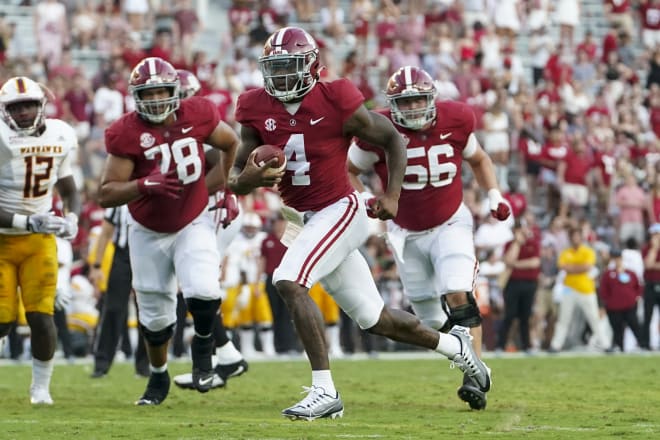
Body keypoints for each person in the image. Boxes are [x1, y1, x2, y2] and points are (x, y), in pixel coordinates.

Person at [229, 27, 491, 420]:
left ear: (312, 65)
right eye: (275, 67)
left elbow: (393, 141)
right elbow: (234, 174)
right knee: (375, 319)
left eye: (290, 66)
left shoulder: (336, 98)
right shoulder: (253, 107)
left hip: (340, 208)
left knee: (288, 279)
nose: (282, 76)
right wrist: (246, 180)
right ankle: (458, 348)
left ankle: (324, 390)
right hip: (301, 219)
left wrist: (392, 195)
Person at [347, 66, 510, 410]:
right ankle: (470, 358)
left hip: (450, 222)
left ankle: (474, 377)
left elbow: (479, 159)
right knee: (430, 320)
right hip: (404, 233)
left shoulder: (456, 118)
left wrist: (494, 194)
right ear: (392, 105)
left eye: (419, 99)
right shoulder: (376, 129)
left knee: (457, 292)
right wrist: (364, 201)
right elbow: (349, 171)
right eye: (405, 103)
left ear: (432, 97)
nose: (413, 108)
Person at [98, 57, 239, 405]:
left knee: (205, 289)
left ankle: (203, 353)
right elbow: (106, 193)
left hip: (193, 219)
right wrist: (144, 184)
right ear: (136, 97)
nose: (158, 99)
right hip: (147, 229)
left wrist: (218, 184)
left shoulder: (200, 112)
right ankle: (158, 378)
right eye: (150, 93)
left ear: (176, 91)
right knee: (156, 319)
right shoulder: (125, 132)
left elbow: (231, 142)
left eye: (163, 91)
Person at [0, 76, 80, 404]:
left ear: (41, 106)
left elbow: (69, 187)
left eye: (28, 105)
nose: (22, 113)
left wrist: (72, 216)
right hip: (3, 240)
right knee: (2, 320)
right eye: (15, 108)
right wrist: (25, 220)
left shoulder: (61, 134)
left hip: (39, 241)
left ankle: (41, 389)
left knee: (41, 316)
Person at [171, 68, 249, 391]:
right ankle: (228, 355)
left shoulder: (203, 125)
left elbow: (228, 167)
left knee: (197, 285)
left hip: (216, 211)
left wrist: (194, 194)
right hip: (206, 211)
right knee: (194, 286)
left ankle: (218, 359)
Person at [89, 204, 149, 378]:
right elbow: (106, 232)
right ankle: (102, 363)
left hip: (147, 255)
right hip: (122, 255)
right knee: (113, 309)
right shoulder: (119, 199)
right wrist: (97, 265)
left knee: (146, 310)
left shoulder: (153, 190)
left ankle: (145, 364)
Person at [599, 248, 643, 352]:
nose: (617, 260)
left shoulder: (630, 273)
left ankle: (643, 344)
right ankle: (619, 346)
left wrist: (636, 297)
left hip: (629, 305)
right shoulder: (608, 274)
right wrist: (607, 302)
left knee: (635, 325)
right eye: (615, 258)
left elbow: (638, 286)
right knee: (617, 328)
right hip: (614, 307)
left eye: (618, 258)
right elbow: (603, 289)